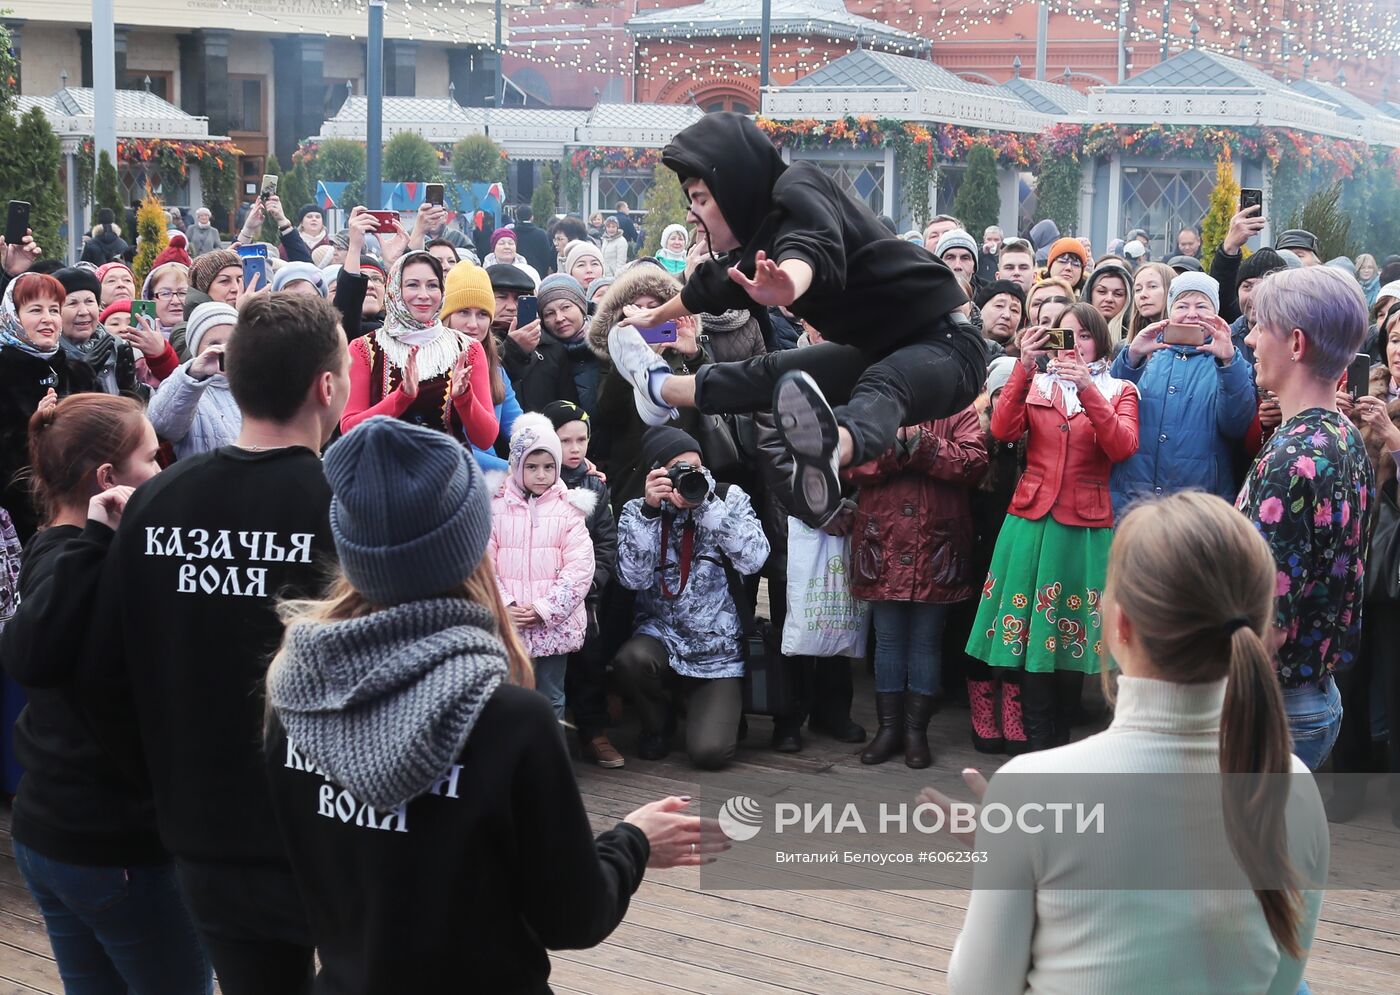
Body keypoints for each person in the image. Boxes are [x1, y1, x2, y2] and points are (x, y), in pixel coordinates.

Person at [264, 411, 719, 991]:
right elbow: (572, 917)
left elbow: (294, 879)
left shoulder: (295, 695)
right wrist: (631, 842)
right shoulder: (509, 718)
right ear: (469, 544)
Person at [37, 293, 348, 994]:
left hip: (195, 828)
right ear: (326, 386)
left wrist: (161, 783)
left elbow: (105, 673)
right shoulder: (343, 505)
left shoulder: (158, 501)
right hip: (321, 829)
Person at [934, 491, 1327, 995]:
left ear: (1119, 624)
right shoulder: (1295, 785)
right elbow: (1281, 984)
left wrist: (1010, 849)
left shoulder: (1030, 790)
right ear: (1261, 626)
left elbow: (978, 989)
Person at [605, 113, 983, 528]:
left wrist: (790, 286)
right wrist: (653, 317)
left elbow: (810, 243)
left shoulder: (799, 187)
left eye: (701, 199)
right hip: (880, 348)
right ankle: (660, 387)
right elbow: (709, 288)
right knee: (776, 374)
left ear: (734, 185)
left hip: (948, 346)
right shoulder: (758, 240)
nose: (693, 215)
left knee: (885, 385)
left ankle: (829, 450)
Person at [0, 393, 213, 992]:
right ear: (107, 480)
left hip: (52, 834)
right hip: (112, 847)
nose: (162, 471)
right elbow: (27, 654)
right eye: (151, 458)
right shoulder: (83, 561)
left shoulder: (58, 549)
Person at [967, 303, 1139, 752]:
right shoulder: (1037, 384)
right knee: (1029, 632)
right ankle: (1036, 741)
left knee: (1070, 635)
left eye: (1083, 336)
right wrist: (1023, 367)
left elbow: (1122, 447)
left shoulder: (1120, 389)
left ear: (1100, 341)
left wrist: (1088, 390)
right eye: (1064, 336)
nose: (1074, 345)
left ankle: (1062, 738)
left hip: (1085, 527)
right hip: (1030, 521)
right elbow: (1003, 430)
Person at [1239, 266, 1375, 770]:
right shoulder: (1343, 435)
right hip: (1315, 695)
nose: (1250, 338)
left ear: (1296, 343)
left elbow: (1264, 616)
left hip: (1275, 706)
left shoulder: (1295, 457)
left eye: (1260, 326)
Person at [613, 426, 769, 768]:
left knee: (710, 754)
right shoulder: (637, 510)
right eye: (677, 468)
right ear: (656, 473)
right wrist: (651, 514)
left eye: (695, 467)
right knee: (631, 661)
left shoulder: (728, 499)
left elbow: (755, 558)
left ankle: (712, 706)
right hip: (661, 638)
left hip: (716, 651)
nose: (689, 475)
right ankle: (658, 725)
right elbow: (631, 578)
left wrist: (707, 507)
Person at [845, 405, 986, 769]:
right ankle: (888, 729)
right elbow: (849, 466)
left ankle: (915, 732)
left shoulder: (958, 409)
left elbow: (974, 463)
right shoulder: (874, 406)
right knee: (888, 639)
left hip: (936, 542)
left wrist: (924, 446)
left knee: (926, 641)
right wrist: (894, 449)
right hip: (884, 540)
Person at [1111, 272, 1255, 516]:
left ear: (1216, 312)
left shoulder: (1229, 361)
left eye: (1201, 306)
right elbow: (1110, 410)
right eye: (1181, 305)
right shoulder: (1148, 353)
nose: (1191, 314)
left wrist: (1228, 362)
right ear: (1169, 311)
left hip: (1199, 503)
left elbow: (1236, 425)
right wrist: (1131, 357)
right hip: (1134, 494)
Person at [488, 413, 596, 721]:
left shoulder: (569, 511)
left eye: (549, 467)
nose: (541, 475)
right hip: (509, 625)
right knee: (509, 699)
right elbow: (483, 564)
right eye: (531, 467)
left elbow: (580, 569)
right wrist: (505, 605)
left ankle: (549, 766)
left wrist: (544, 610)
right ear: (517, 466)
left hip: (552, 626)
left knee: (551, 698)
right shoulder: (496, 509)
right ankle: (513, 765)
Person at [341, 251, 498, 449]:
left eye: (432, 285)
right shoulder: (363, 348)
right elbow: (349, 429)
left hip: (447, 472)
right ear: (395, 289)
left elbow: (486, 439)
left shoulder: (468, 349)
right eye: (412, 285)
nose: (424, 295)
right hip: (381, 472)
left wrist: (465, 397)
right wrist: (401, 398)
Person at [586, 264, 711, 512]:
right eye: (636, 310)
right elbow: (607, 411)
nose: (645, 317)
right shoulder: (611, 359)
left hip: (686, 470)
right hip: (635, 471)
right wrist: (633, 360)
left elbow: (713, 400)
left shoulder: (686, 354)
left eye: (654, 309)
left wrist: (694, 355)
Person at [540, 400, 621, 766]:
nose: (574, 449)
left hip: (583, 597)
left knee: (590, 661)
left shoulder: (595, 486)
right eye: (565, 441)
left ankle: (593, 731)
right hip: (539, 595)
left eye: (581, 440)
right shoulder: (535, 479)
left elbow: (606, 542)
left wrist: (592, 584)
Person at [0, 273, 102, 542]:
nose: (48, 318)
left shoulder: (78, 371)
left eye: (54, 310)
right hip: (19, 525)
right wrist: (36, 429)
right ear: (13, 316)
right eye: (35, 310)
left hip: (82, 517)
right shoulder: (4, 373)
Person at [57, 266, 178, 398]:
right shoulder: (48, 355)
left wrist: (132, 390)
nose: (84, 311)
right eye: (72, 303)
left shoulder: (118, 346)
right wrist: (76, 383)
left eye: (89, 301)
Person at [147, 302, 243, 459]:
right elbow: (161, 426)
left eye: (232, 341)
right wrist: (193, 375)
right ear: (196, 348)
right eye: (214, 344)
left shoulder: (257, 383)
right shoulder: (186, 384)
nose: (225, 349)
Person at [489, 262, 575, 413]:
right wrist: (514, 350)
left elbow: (568, 406)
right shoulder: (475, 342)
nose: (511, 307)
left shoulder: (551, 346)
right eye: (502, 297)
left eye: (518, 299)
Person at [538, 273, 602, 416]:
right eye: (549, 314)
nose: (559, 318)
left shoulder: (610, 341)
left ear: (581, 307)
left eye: (566, 307)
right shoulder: (540, 356)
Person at [140, 261, 191, 342]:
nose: (175, 301)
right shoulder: (139, 340)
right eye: (165, 293)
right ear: (150, 299)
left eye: (183, 293)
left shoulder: (208, 336)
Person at [1083, 261, 1134, 340]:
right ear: (1090, 294)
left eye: (1118, 294)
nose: (1109, 299)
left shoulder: (1135, 336)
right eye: (1102, 292)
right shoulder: (1075, 329)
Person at [1126, 261, 1174, 341]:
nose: (1143, 295)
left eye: (1152, 286)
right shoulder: (1126, 349)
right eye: (1138, 289)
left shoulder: (1189, 344)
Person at [975, 280, 1025, 349]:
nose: (1007, 315)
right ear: (979, 310)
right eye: (999, 306)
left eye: (1014, 310)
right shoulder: (961, 343)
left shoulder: (1024, 354)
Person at [510, 204, 555, 276]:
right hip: (537, 272)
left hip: (514, 273)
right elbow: (546, 256)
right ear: (532, 217)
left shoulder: (511, 233)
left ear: (517, 217)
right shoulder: (541, 234)